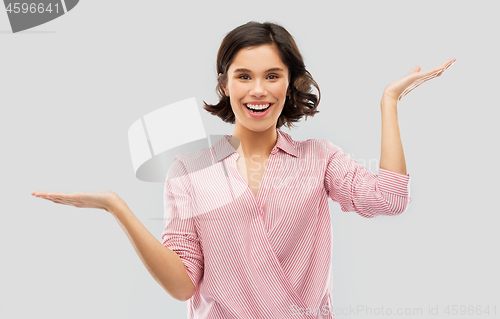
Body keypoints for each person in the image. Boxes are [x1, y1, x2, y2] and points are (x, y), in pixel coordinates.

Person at [32, 21, 455, 319]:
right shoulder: (190, 172)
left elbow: (390, 199)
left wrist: (389, 103)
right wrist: (116, 207)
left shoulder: (319, 158)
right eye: (243, 76)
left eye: (272, 75)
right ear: (224, 84)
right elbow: (183, 285)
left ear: (290, 83)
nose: (258, 90)